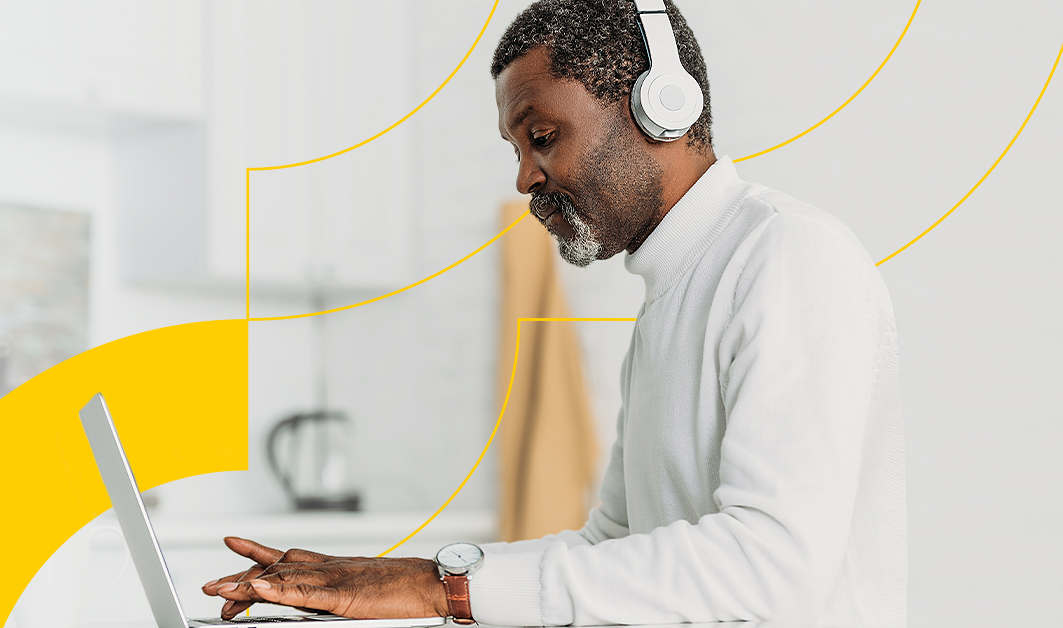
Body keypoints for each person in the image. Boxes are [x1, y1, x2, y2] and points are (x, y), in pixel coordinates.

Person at [202, 0, 907, 624]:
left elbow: (771, 565)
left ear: (660, 105)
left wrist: (437, 588)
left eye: (541, 137)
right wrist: (394, 579)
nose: (523, 178)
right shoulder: (670, 300)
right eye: (516, 149)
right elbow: (615, 547)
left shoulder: (787, 256)